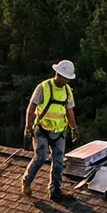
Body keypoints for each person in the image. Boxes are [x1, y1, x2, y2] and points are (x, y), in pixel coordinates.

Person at [22, 60, 79, 202]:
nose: (64, 80)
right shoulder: (43, 87)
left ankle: (55, 190)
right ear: (57, 74)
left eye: (66, 78)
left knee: (58, 161)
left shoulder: (67, 91)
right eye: (63, 77)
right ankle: (26, 183)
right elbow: (31, 108)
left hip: (59, 131)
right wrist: (28, 127)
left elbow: (69, 110)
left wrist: (74, 128)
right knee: (40, 157)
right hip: (42, 129)